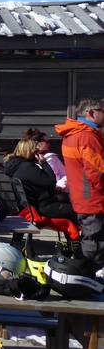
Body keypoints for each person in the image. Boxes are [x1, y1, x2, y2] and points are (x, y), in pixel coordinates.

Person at [56, 98, 104, 269]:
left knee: (90, 239)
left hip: (81, 196)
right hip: (93, 198)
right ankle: (88, 274)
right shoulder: (87, 137)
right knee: (95, 243)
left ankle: (81, 270)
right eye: (103, 111)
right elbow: (98, 172)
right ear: (91, 113)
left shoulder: (72, 134)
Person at [2, 136, 77, 222]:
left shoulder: (17, 166)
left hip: (33, 206)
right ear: (30, 151)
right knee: (76, 210)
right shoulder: (28, 167)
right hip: (43, 207)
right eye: (35, 150)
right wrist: (44, 163)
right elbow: (51, 182)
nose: (37, 152)